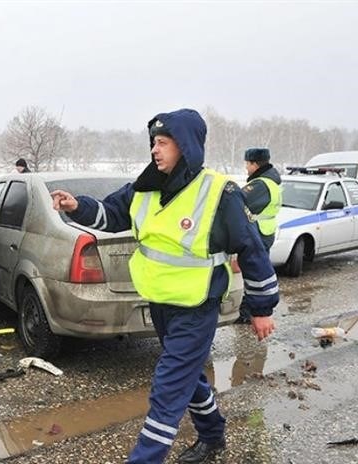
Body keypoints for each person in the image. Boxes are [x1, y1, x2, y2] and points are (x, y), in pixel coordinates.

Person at [51, 109, 278, 464]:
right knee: (188, 378)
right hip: (159, 303)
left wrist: (262, 308)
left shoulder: (220, 192)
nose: (155, 150)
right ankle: (213, 436)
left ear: (185, 146)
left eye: (163, 143)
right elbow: (111, 214)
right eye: (153, 143)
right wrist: (78, 206)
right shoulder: (146, 187)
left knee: (168, 386)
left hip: (197, 307)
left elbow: (252, 249)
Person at [235, 147, 282, 324]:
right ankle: (249, 310)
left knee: (252, 272)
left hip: (257, 232)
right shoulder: (272, 181)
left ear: (254, 164)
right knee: (258, 270)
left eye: (247, 163)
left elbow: (238, 203)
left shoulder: (260, 184)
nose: (246, 168)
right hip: (266, 230)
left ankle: (246, 313)